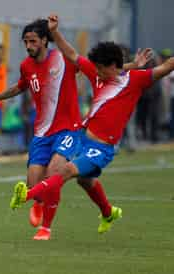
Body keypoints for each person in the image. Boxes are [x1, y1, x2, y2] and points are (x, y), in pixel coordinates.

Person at [10, 14, 172, 241]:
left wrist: (143, 66)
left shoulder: (136, 80)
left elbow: (165, 67)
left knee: (63, 172)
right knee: (85, 181)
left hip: (103, 148)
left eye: (100, 68)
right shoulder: (97, 75)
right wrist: (55, 32)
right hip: (83, 138)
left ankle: (31, 205)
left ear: (114, 67)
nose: (95, 72)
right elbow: (73, 55)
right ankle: (108, 213)